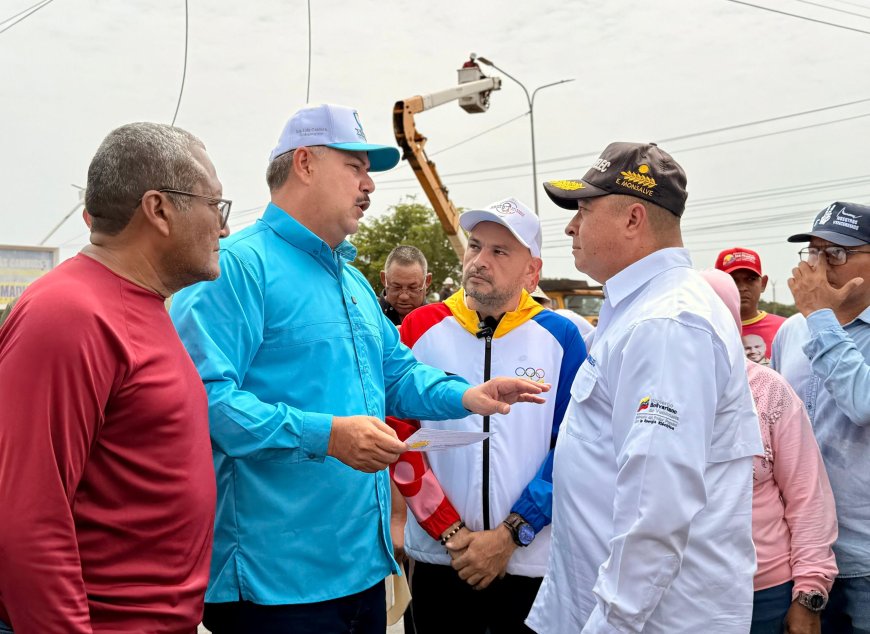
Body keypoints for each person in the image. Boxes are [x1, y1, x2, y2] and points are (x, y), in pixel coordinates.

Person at [168, 103, 548, 634]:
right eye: (356, 166)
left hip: (362, 572)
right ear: (304, 163)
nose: (369, 184)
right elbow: (201, 403)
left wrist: (468, 395)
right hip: (274, 583)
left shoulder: (350, 281)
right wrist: (327, 435)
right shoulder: (237, 268)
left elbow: (395, 375)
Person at [0, 122, 229, 633]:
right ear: (159, 209)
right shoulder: (69, 314)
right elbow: (27, 519)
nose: (224, 227)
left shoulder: (137, 304)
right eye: (217, 205)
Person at [526, 141, 762, 633]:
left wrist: (612, 623)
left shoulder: (668, 324)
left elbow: (656, 506)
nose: (571, 226)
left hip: (651, 620)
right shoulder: (640, 311)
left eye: (584, 210)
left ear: (633, 219)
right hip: (600, 606)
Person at [388, 198, 585, 633]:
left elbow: (572, 448)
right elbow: (401, 439)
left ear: (531, 271)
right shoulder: (419, 328)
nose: (479, 260)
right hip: (442, 560)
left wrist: (512, 534)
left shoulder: (562, 336)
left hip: (529, 562)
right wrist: (451, 533)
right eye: (475, 246)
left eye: (499, 251)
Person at [703, 269, 838, 634]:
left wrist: (809, 592)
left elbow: (807, 497)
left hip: (764, 594)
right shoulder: (652, 391)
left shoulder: (767, 391)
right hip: (681, 593)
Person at [772, 201, 870, 634]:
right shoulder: (791, 331)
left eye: (837, 253)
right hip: (797, 555)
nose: (817, 265)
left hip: (864, 559)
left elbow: (863, 403)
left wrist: (821, 318)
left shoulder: (810, 323)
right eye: (813, 251)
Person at [715, 247, 786, 365]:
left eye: (751, 279)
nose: (742, 288)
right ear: (716, 284)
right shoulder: (708, 329)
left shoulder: (784, 328)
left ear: (763, 283)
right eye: (733, 280)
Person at [379, 245, 431, 326]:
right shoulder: (369, 316)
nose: (404, 297)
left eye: (412, 287)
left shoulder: (437, 323)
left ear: (427, 281)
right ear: (384, 279)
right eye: (396, 287)